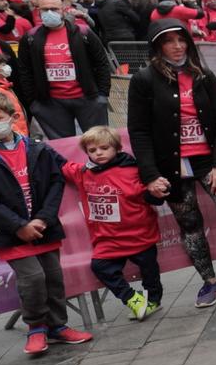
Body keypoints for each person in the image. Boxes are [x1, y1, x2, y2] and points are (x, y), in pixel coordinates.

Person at [126, 19, 216, 308]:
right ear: (157, 46)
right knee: (189, 224)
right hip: (172, 166)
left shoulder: (203, 76)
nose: (177, 46)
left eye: (181, 39)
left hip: (210, 161)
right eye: (169, 41)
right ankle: (210, 282)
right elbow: (138, 130)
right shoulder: (143, 81)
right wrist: (150, 175)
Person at [0, 90, 95, 355]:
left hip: (43, 227)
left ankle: (58, 327)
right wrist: (17, 226)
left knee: (54, 278)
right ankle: (36, 328)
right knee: (33, 278)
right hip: (9, 232)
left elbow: (56, 180)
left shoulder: (36, 147)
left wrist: (43, 218)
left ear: (12, 117)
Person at [62, 124, 164, 320]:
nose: (98, 153)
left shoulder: (135, 169)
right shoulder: (83, 173)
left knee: (150, 272)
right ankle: (133, 299)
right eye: (92, 150)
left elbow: (154, 195)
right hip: (108, 240)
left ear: (117, 148)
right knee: (99, 266)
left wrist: (160, 191)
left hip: (140, 235)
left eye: (103, 148)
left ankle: (154, 301)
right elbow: (61, 164)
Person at [14, 0, 112, 138]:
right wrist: (34, 102)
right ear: (38, 11)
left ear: (63, 10)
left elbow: (102, 63)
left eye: (54, 9)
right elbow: (25, 70)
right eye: (44, 9)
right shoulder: (30, 38)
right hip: (50, 102)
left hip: (88, 99)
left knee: (99, 142)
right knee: (63, 147)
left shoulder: (83, 32)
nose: (49, 13)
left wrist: (102, 95)